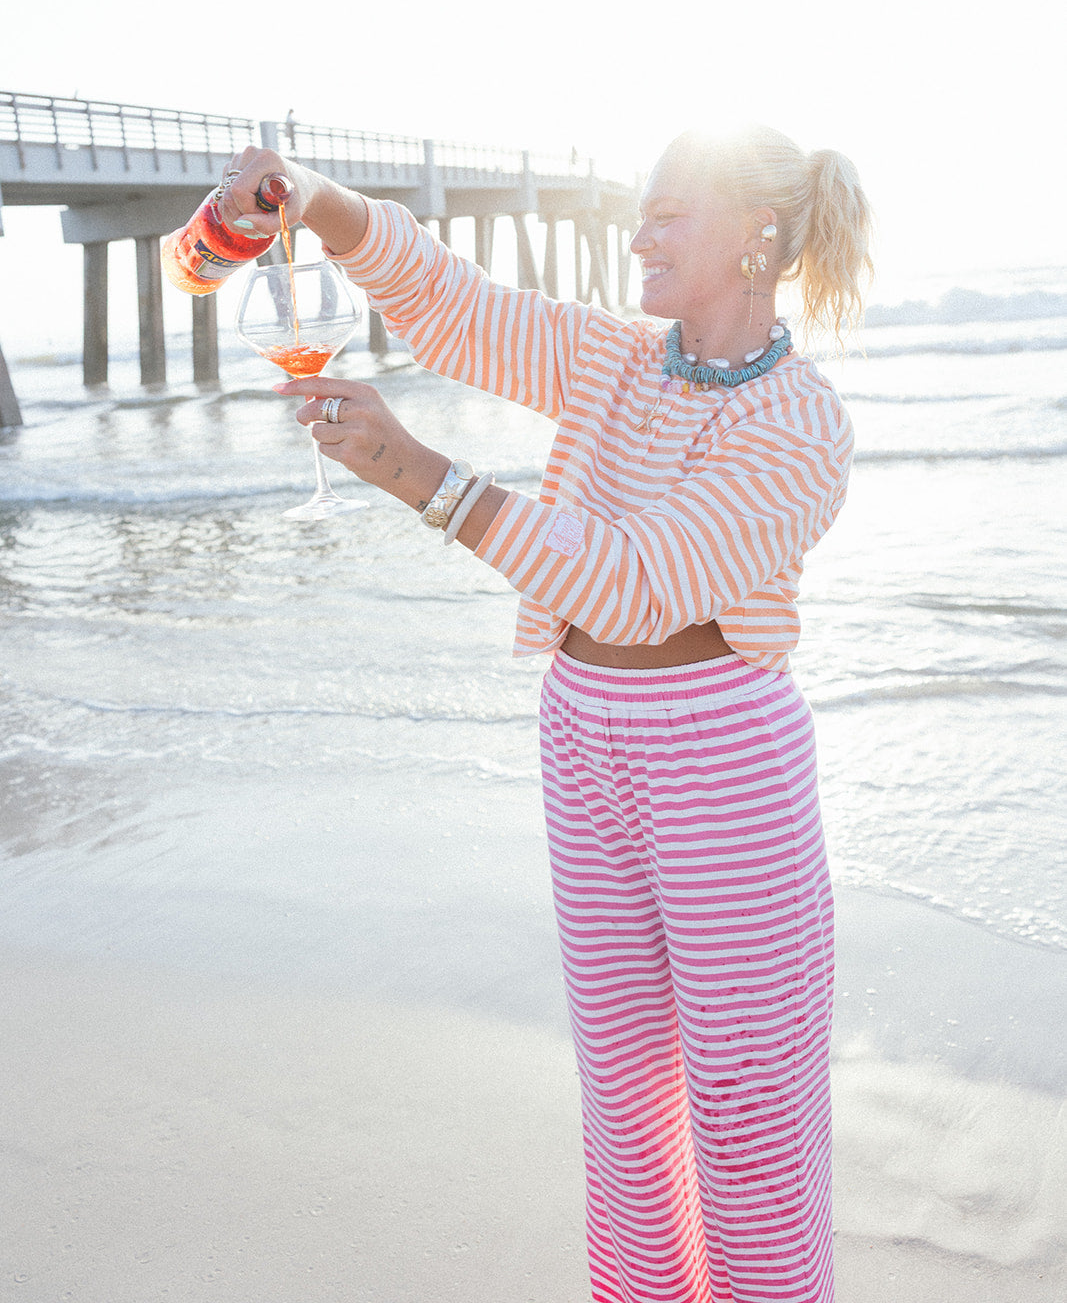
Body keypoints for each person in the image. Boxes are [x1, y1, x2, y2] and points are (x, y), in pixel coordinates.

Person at [219, 126, 873, 1303]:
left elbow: (633, 580)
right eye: (642, 210)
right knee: (622, 1092)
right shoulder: (614, 357)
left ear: (757, 240)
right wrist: (313, 199)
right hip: (580, 729)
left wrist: (425, 476)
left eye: (670, 213)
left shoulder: (803, 427)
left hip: (719, 752)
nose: (639, 235)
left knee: (743, 1100)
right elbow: (454, 306)